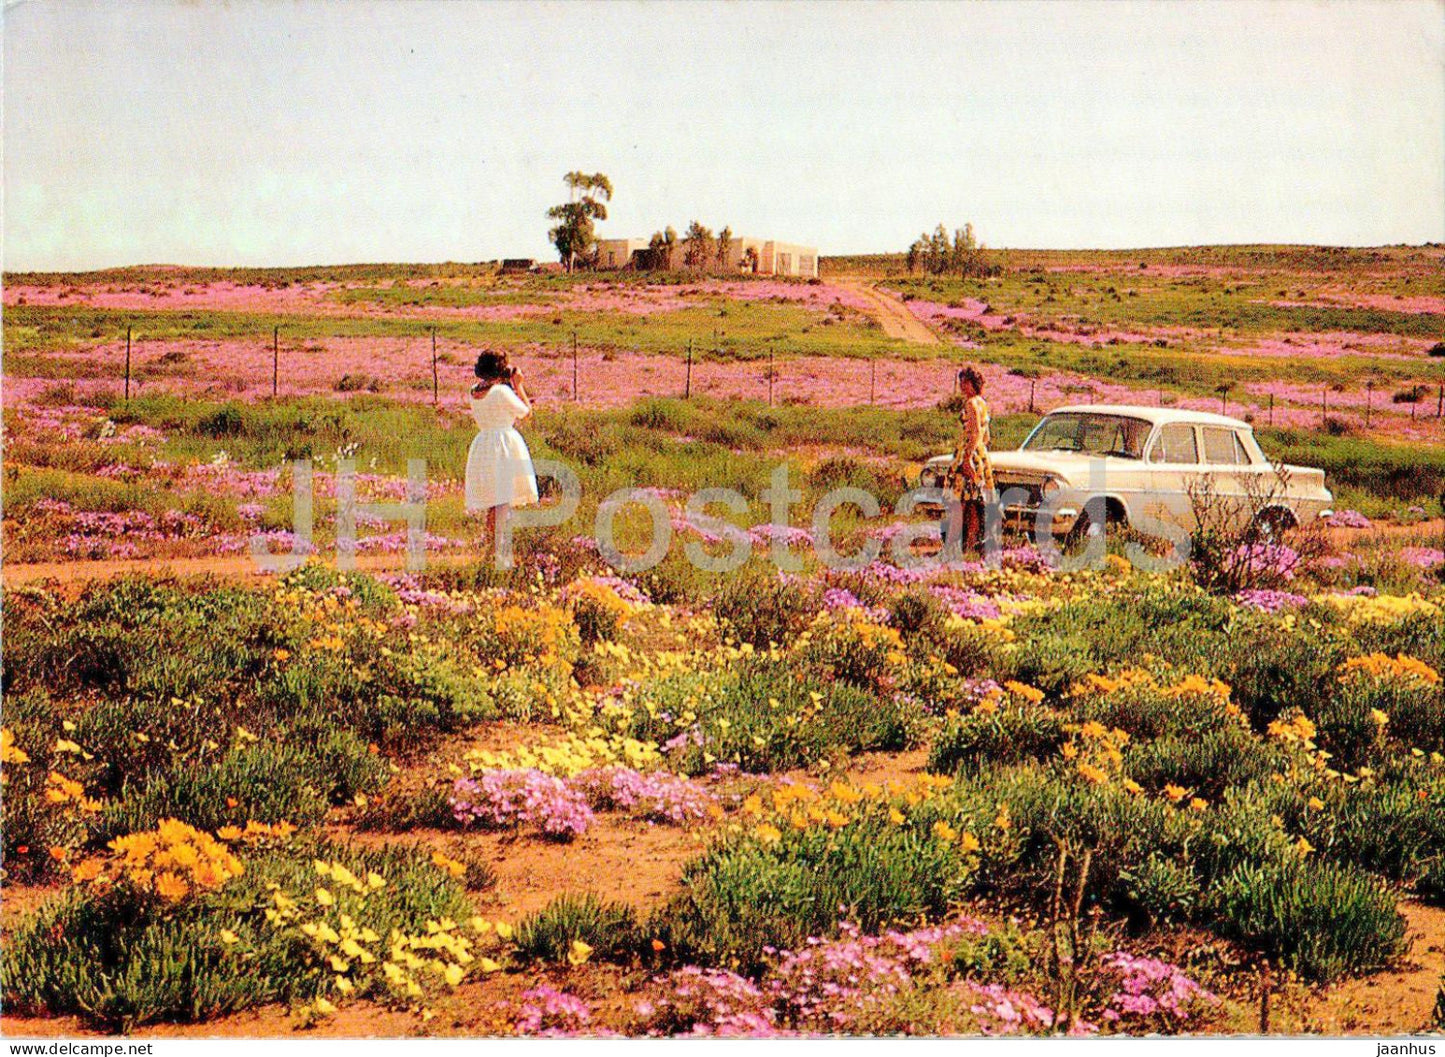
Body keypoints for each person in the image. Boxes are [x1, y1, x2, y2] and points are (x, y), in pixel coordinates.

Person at [465, 350, 539, 554]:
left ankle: (493, 546)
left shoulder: (474, 390)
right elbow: (526, 412)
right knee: (503, 499)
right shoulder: (501, 392)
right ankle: (498, 549)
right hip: (504, 444)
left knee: (494, 501)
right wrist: (518, 385)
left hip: (484, 443)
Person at [942, 366, 995, 556]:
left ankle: (953, 545)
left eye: (965, 382)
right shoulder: (982, 403)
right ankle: (969, 545)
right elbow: (985, 435)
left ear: (973, 383)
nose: (962, 386)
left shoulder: (971, 404)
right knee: (973, 502)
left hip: (969, 453)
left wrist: (967, 457)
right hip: (980, 454)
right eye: (961, 382)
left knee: (959, 502)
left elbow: (976, 432)